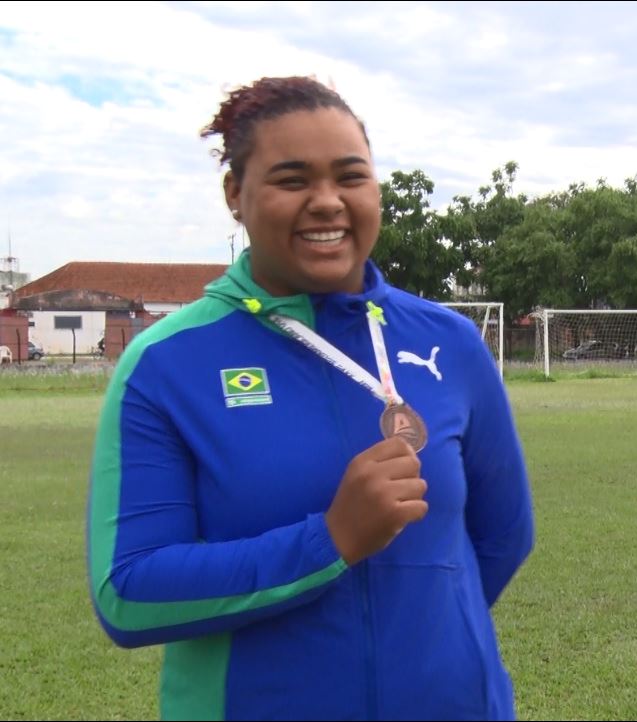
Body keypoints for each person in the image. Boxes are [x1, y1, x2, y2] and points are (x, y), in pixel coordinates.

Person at [86, 76, 535, 720]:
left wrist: (423, 643)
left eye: (351, 177)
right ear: (235, 194)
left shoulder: (450, 342)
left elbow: (504, 535)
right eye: (293, 179)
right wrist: (329, 541)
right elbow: (129, 592)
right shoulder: (166, 364)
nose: (327, 201)